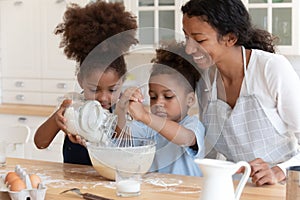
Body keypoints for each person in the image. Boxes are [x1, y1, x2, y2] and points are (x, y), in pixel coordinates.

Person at [181, 0, 300, 186]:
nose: (189, 49)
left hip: (283, 187)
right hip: (236, 188)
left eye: (200, 40)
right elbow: (211, 151)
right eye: (186, 37)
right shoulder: (205, 83)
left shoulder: (271, 69)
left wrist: (279, 171)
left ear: (230, 38)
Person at [34, 0, 138, 165]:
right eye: (94, 89)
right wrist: (57, 119)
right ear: (80, 81)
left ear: (122, 81)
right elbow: (40, 143)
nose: (103, 98)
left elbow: (127, 149)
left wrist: (121, 113)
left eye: (112, 90)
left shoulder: (123, 108)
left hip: (109, 182)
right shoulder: (72, 106)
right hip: (72, 181)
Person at [115, 41, 205, 176]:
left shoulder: (192, 125)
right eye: (153, 97)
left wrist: (145, 116)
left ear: (190, 100)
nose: (159, 103)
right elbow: (122, 136)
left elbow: (185, 138)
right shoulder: (148, 128)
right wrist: (121, 109)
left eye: (168, 97)